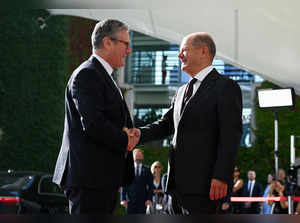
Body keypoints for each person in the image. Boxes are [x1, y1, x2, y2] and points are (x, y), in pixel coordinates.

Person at [125, 32, 242, 214]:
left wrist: (221, 176)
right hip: (175, 188)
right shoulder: (181, 91)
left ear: (204, 51)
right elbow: (167, 124)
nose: (179, 56)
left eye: (184, 50)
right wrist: (139, 134)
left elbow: (230, 135)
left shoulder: (226, 87)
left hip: (204, 187)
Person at [52, 19, 138, 214]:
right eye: (126, 44)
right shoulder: (87, 74)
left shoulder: (105, 75)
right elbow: (93, 124)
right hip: (89, 180)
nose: (129, 50)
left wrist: (129, 133)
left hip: (100, 179)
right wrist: (125, 139)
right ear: (108, 42)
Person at [120, 149, 153, 214]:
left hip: (143, 202)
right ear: (133, 157)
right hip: (129, 201)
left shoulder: (147, 169)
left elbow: (150, 186)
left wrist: (149, 199)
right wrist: (122, 199)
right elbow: (124, 185)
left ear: (142, 157)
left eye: (140, 155)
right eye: (136, 155)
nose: (138, 157)